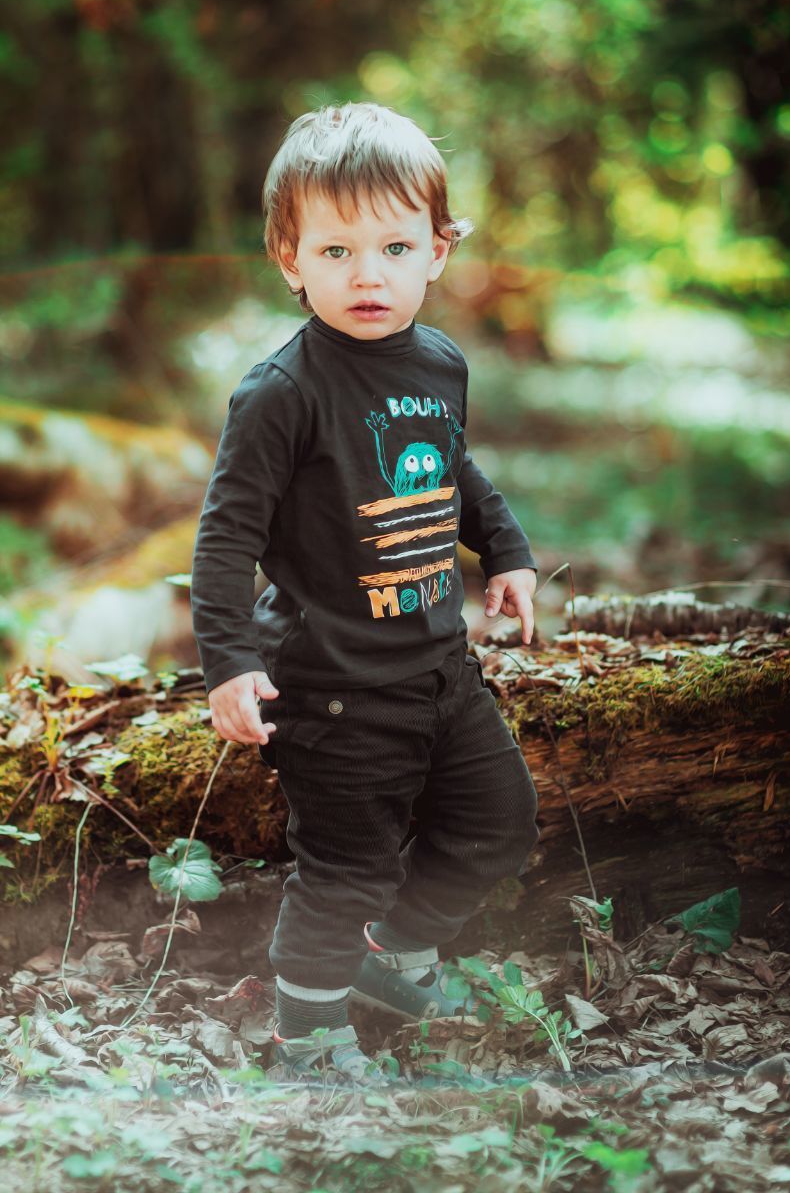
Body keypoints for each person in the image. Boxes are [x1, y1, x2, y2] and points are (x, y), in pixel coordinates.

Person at [190, 102, 540, 1085]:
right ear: (289, 259)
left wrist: (503, 551)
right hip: (331, 679)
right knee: (342, 867)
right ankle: (306, 1033)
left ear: (437, 250)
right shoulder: (280, 393)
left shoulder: (438, 362)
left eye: (393, 245)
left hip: (437, 665)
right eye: (336, 250)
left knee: (497, 820)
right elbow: (226, 534)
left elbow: (452, 473)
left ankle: (393, 956)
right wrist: (229, 661)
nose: (367, 273)